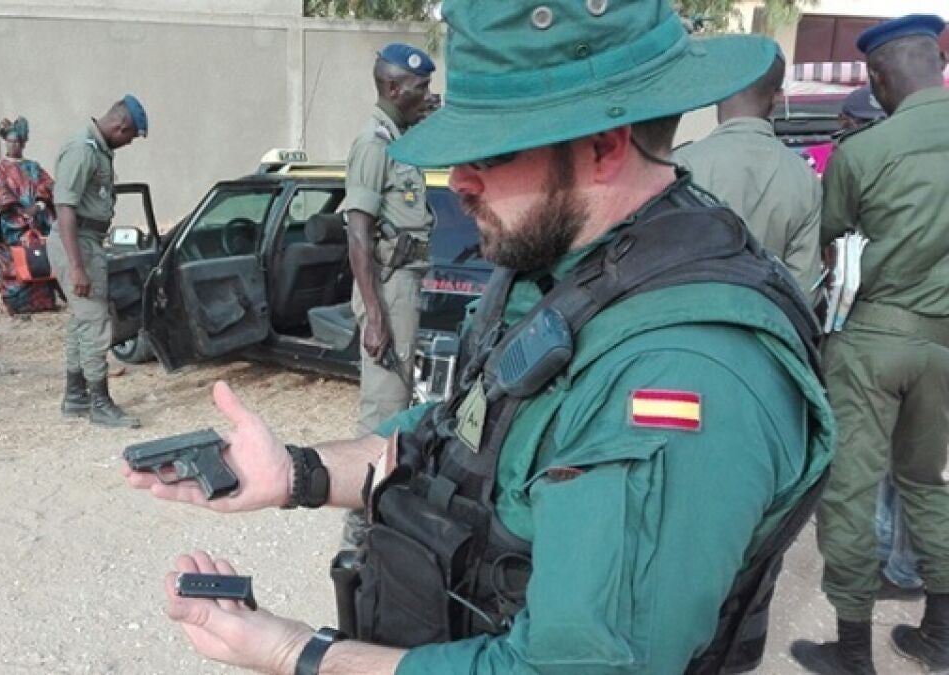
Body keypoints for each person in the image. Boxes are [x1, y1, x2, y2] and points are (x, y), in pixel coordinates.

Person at [123, 3, 833, 673]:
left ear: (603, 147)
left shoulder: (683, 369)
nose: (458, 181)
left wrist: (296, 653)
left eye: (489, 154)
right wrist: (299, 472)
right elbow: (455, 441)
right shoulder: (560, 273)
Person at [791, 14, 949, 675]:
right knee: (926, 482)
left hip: (874, 338)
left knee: (853, 488)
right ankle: (940, 633)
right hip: (943, 345)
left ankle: (852, 650)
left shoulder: (864, 153)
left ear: (880, 77)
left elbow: (833, 244)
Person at [674, 49, 824, 296]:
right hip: (765, 315)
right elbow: (803, 285)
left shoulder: (682, 165)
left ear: (718, 93)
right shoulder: (803, 177)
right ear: (777, 98)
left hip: (689, 311)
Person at [345, 43, 435, 437]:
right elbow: (357, 232)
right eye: (422, 87)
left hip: (402, 281)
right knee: (384, 408)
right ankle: (369, 476)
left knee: (397, 401)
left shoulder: (399, 139)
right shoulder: (374, 144)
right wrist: (375, 316)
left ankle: (385, 472)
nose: (429, 94)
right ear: (395, 89)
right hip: (388, 285)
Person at [48, 97, 146, 428]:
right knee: (94, 323)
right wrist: (77, 266)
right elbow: (65, 208)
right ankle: (99, 404)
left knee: (82, 321)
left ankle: (76, 396)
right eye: (131, 136)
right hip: (77, 242)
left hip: (86, 240)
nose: (129, 143)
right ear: (121, 126)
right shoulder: (83, 150)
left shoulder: (98, 149)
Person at [0, 116, 58, 316]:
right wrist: (19, 211)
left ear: (23, 143)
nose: (13, 145)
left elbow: (49, 186)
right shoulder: (0, 169)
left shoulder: (33, 167)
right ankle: (17, 303)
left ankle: (43, 301)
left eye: (17, 142)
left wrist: (38, 206)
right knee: (15, 262)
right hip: (11, 225)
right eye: (10, 141)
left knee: (38, 259)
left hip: (36, 223)